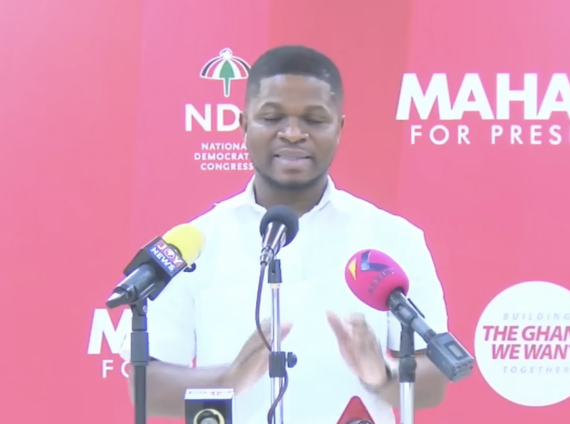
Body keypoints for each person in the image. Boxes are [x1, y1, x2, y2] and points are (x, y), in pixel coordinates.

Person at [120, 45, 449, 424]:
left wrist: (383, 377)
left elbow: (435, 380)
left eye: (314, 119)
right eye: (272, 117)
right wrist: (230, 379)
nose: (293, 133)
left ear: (339, 129)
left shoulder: (394, 238)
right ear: (244, 125)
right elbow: (145, 387)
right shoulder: (194, 244)